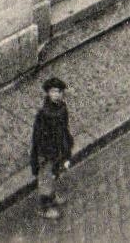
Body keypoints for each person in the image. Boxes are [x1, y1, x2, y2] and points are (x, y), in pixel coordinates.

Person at [30, 76, 74, 219]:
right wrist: (42, 154)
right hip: (47, 152)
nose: (57, 94)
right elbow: (38, 136)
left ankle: (52, 197)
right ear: (48, 93)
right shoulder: (44, 113)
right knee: (46, 179)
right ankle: (44, 207)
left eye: (59, 92)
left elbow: (64, 128)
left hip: (57, 149)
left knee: (53, 174)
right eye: (53, 91)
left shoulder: (62, 108)